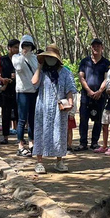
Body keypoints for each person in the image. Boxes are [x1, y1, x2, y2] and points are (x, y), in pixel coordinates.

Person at [31, 44, 76, 173]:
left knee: (60, 133)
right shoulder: (42, 72)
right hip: (42, 108)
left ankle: (59, 161)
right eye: (47, 57)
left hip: (59, 109)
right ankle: (39, 162)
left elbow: (69, 90)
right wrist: (39, 66)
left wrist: (70, 103)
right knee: (40, 132)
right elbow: (34, 82)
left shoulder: (66, 72)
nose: (50, 60)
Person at [76, 38, 110, 151]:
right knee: (83, 118)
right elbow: (81, 77)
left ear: (102, 48)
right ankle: (83, 143)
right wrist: (89, 91)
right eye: (94, 46)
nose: (96, 48)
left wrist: (100, 91)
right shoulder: (85, 61)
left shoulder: (106, 63)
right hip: (86, 96)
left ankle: (95, 142)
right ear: (91, 47)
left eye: (98, 46)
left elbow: (107, 78)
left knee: (98, 119)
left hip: (100, 96)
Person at [12, 35, 39, 157]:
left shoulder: (35, 58)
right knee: (22, 119)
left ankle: (32, 143)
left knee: (33, 119)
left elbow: (39, 72)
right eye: (24, 45)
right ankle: (20, 145)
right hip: (22, 92)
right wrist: (23, 55)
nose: (26, 47)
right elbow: (18, 68)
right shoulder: (16, 57)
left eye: (29, 45)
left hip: (34, 92)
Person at [0, 39, 19, 145]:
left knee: (19, 114)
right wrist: (2, 79)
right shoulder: (1, 59)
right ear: (9, 48)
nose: (17, 49)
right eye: (15, 47)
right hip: (6, 90)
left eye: (18, 47)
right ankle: (5, 137)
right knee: (5, 114)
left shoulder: (21, 59)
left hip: (19, 89)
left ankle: (20, 137)